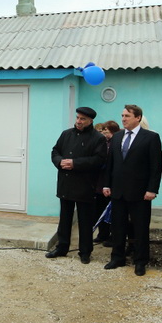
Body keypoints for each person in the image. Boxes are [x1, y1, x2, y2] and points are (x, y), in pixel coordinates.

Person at [103, 104, 162, 276]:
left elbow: (155, 166)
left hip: (140, 192)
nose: (123, 119)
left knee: (140, 228)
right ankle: (117, 258)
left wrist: (152, 189)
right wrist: (107, 184)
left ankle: (140, 261)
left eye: (127, 116)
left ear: (138, 118)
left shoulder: (151, 137)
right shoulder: (117, 136)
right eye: (122, 115)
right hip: (118, 191)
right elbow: (110, 163)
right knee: (118, 226)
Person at [46, 107, 106, 264]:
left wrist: (75, 163)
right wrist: (59, 161)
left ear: (90, 121)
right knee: (65, 219)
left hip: (85, 185)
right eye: (78, 118)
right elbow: (55, 151)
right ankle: (62, 248)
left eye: (83, 119)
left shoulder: (98, 138)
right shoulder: (66, 134)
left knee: (85, 221)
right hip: (66, 183)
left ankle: (85, 252)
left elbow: (98, 160)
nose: (79, 121)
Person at [93, 120, 119, 246]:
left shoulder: (116, 144)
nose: (104, 134)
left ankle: (113, 236)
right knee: (100, 210)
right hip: (99, 183)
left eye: (106, 132)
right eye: (103, 131)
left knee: (112, 212)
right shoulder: (103, 144)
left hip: (112, 183)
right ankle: (102, 234)